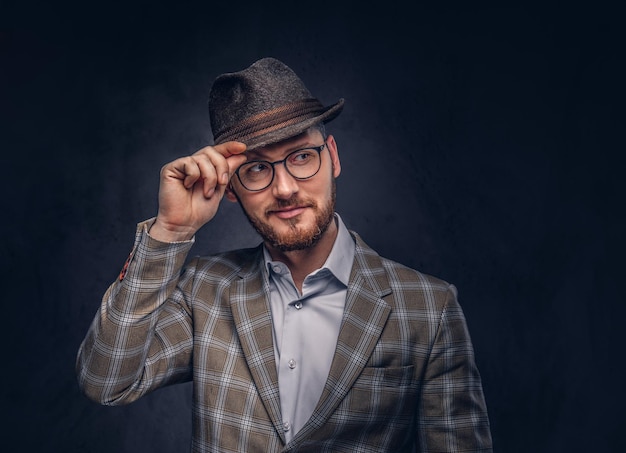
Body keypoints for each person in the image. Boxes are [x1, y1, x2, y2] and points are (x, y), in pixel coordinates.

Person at [76, 57, 493, 452]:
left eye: (302, 157)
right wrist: (171, 231)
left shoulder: (430, 308)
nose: (286, 188)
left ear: (332, 157)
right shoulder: (203, 290)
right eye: (257, 168)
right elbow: (106, 381)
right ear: (231, 189)